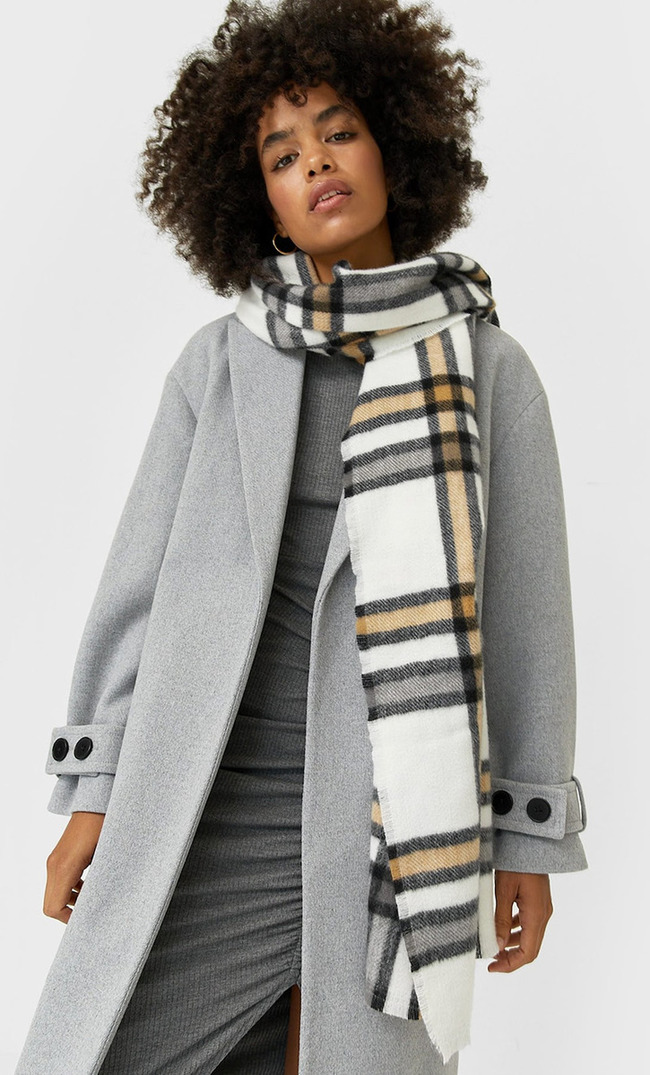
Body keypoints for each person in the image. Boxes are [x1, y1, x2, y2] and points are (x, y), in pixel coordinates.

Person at [15, 0, 587, 1073]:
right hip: (205, 795)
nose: (315, 161)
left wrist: (528, 831)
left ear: (393, 148)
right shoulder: (220, 364)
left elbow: (525, 619)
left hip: (384, 819)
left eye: (338, 130)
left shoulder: (487, 372)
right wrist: (93, 791)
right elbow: (136, 587)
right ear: (262, 202)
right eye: (282, 154)